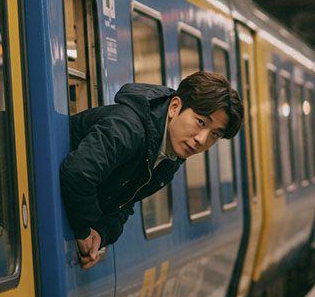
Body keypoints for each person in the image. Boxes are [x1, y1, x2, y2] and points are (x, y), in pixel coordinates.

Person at [60, 71, 244, 268]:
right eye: (200, 122)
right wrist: (83, 230)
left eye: (214, 134)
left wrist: (100, 233)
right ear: (174, 107)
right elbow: (78, 173)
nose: (202, 139)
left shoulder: (169, 156)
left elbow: (124, 202)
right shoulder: (129, 127)